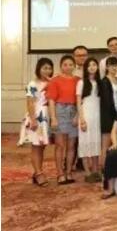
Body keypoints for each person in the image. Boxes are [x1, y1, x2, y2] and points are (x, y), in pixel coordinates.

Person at [47, 55, 80, 185]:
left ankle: (69, 172)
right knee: (60, 145)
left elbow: (81, 100)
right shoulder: (55, 80)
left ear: (74, 66)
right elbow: (51, 100)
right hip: (60, 111)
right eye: (65, 64)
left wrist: (78, 115)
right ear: (61, 66)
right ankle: (60, 173)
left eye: (70, 64)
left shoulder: (78, 80)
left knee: (71, 145)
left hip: (74, 111)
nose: (68, 67)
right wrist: (53, 118)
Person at [25, 58, 54, 187]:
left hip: (47, 116)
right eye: (44, 68)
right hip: (37, 115)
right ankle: (38, 173)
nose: (47, 71)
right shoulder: (33, 83)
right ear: (38, 69)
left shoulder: (51, 82)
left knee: (42, 146)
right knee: (36, 146)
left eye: (49, 68)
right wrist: (33, 119)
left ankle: (37, 171)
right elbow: (30, 102)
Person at [77, 58, 102, 183]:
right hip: (86, 116)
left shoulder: (99, 82)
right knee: (85, 143)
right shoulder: (81, 82)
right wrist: (82, 119)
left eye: (94, 64)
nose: (92, 67)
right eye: (89, 65)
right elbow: (78, 102)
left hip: (97, 117)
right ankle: (87, 172)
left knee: (95, 144)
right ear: (85, 68)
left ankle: (96, 171)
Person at [99, 57, 117, 175]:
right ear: (107, 67)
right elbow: (106, 102)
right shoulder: (104, 81)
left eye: (116, 65)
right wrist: (115, 115)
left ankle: (112, 167)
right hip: (108, 116)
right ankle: (103, 168)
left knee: (114, 143)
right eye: (111, 65)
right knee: (106, 144)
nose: (114, 68)